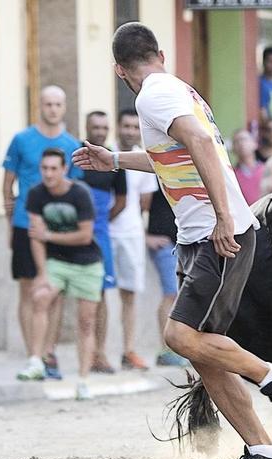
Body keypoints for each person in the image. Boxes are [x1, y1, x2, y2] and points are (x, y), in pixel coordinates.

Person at [74, 22, 272, 459]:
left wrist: (222, 217)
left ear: (119, 69)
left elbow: (200, 145)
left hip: (215, 234)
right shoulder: (176, 89)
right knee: (203, 352)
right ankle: (263, 451)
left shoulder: (152, 95)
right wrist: (116, 158)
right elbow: (174, 156)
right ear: (160, 53)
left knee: (179, 337)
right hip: (198, 234)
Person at [2, 85, 82, 377]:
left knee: (56, 291)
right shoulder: (21, 140)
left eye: (57, 104)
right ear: (40, 106)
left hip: (59, 229)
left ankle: (49, 353)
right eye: (47, 103)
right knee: (28, 290)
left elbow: (75, 188)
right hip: (25, 224)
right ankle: (32, 354)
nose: (52, 109)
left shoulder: (72, 145)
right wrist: (10, 224)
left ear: (64, 107)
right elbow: (7, 185)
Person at [18, 148, 103, 401]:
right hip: (56, 261)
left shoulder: (80, 194)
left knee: (86, 322)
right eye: (44, 168)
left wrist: (50, 236)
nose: (48, 173)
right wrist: (42, 273)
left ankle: (83, 379)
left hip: (87, 263)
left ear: (64, 169)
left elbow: (85, 235)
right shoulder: (36, 194)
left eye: (54, 168)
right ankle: (35, 360)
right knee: (40, 297)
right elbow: (35, 235)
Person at [62, 111, 126, 377]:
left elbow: (121, 201)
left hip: (100, 237)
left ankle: (99, 353)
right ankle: (49, 356)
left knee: (100, 296)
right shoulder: (74, 156)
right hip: (69, 235)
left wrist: (98, 222)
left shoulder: (113, 160)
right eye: (95, 127)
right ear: (86, 128)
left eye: (104, 126)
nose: (100, 131)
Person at [108, 109, 160, 372]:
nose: (129, 130)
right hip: (104, 233)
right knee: (99, 295)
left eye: (133, 126)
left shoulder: (143, 159)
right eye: (124, 125)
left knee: (129, 295)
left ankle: (129, 350)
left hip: (130, 233)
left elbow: (144, 203)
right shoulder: (105, 155)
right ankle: (98, 352)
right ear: (117, 127)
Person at [144, 184, 189, 367]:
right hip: (165, 241)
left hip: (183, 240)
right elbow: (139, 205)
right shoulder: (155, 171)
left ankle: (180, 348)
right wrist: (145, 236)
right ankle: (167, 350)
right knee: (172, 294)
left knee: (180, 294)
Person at [232, 129, 266, 205]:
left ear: (255, 144)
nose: (241, 143)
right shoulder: (231, 175)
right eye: (236, 141)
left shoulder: (266, 169)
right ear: (233, 148)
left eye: (244, 139)